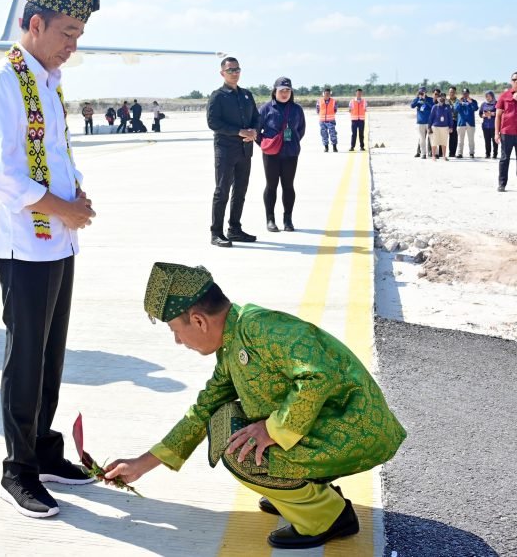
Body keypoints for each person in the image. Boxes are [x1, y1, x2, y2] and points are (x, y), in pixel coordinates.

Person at [103, 263, 406, 551]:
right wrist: (142, 464)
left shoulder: (261, 327)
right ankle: (299, 490)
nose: (178, 341)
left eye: (175, 330)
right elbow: (204, 409)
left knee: (239, 449)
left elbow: (318, 375)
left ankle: (327, 516)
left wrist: (272, 429)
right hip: (333, 428)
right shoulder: (234, 341)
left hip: (357, 429)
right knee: (225, 419)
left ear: (198, 320)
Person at [0, 0, 101, 519]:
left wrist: (76, 193)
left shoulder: (47, 80)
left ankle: (44, 450)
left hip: (58, 243)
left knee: (50, 357)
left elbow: (51, 153)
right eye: (68, 33)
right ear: (35, 24)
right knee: (24, 360)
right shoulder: (3, 80)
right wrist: (62, 206)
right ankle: (18, 469)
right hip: (23, 245)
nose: (73, 46)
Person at [206, 56, 259, 248]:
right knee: (222, 191)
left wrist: (254, 131)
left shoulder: (246, 95)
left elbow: (256, 117)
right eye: (230, 70)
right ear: (222, 73)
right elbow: (213, 123)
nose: (234, 73)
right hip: (226, 149)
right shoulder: (217, 96)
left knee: (240, 190)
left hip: (245, 149)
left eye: (237, 69)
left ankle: (235, 229)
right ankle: (216, 232)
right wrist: (238, 131)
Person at [256, 77, 306, 233]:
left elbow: (301, 130)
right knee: (271, 186)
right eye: (281, 90)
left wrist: (292, 142)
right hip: (271, 154)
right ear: (274, 91)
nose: (284, 93)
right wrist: (266, 144)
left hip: (291, 154)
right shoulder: (266, 109)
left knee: (288, 186)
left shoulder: (297, 109)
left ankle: (288, 219)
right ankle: (270, 219)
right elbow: (256, 131)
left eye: (287, 91)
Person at [497, 72, 517, 192]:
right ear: (511, 81)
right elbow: (498, 116)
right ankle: (502, 184)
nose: (516, 81)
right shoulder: (504, 96)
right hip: (506, 133)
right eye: (514, 79)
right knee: (504, 159)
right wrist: (496, 133)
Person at [410, 87, 434, 158]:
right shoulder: (417, 99)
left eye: (423, 92)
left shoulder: (430, 99)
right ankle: (423, 154)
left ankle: (434, 153)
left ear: (425, 92)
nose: (421, 93)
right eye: (420, 92)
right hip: (420, 122)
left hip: (429, 122)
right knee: (422, 139)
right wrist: (418, 99)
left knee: (432, 138)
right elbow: (412, 106)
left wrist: (425, 100)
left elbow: (433, 106)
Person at [455, 88, 478, 159]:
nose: (465, 95)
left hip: (470, 123)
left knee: (471, 139)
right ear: (462, 94)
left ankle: (471, 153)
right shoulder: (458, 101)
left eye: (466, 93)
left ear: (469, 93)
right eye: (464, 93)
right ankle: (459, 153)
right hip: (461, 123)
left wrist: (471, 102)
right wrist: (460, 102)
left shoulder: (473, 101)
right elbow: (455, 109)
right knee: (460, 140)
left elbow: (476, 108)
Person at [430, 93, 453, 161]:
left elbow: (450, 118)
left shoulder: (448, 107)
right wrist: (429, 127)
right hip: (435, 126)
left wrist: (451, 126)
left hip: (445, 127)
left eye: (443, 98)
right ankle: (433, 156)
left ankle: (444, 156)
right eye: (440, 98)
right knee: (434, 142)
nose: (441, 99)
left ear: (445, 99)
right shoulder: (434, 107)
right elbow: (431, 117)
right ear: (437, 99)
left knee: (444, 142)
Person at [316, 87, 337, 152]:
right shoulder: (319, 101)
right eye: (326, 93)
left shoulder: (333, 101)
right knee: (324, 134)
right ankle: (326, 147)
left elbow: (335, 110)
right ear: (323, 94)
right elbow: (317, 110)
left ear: (330, 94)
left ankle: (334, 147)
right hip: (322, 121)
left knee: (333, 134)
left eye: (328, 94)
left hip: (331, 121)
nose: (327, 95)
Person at [481, 91, 499, 159]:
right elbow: (480, 114)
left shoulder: (496, 103)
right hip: (485, 126)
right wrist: (484, 115)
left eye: (489, 96)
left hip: (494, 125)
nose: (487, 98)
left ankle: (495, 154)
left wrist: (492, 114)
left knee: (495, 140)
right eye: (486, 96)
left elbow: (500, 112)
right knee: (487, 140)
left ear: (492, 96)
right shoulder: (483, 104)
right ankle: (487, 154)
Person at [446, 86, 460, 157]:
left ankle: (452, 153)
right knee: (443, 136)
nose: (451, 93)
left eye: (453, 92)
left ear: (455, 92)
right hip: (446, 121)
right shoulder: (446, 101)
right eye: (450, 92)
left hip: (455, 120)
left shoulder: (458, 101)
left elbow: (457, 110)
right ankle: (440, 153)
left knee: (454, 137)